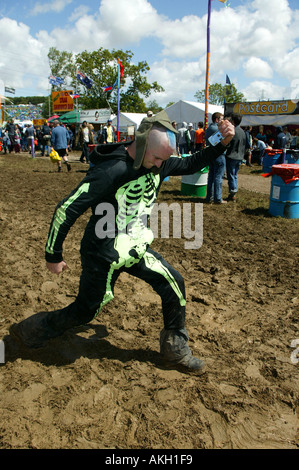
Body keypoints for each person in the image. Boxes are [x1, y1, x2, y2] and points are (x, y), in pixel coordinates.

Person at [9, 110, 235, 375]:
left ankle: (175, 350)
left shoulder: (159, 163)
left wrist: (222, 143)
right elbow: (66, 209)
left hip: (135, 246)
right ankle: (31, 329)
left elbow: (192, 163)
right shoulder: (111, 171)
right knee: (86, 310)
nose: (162, 164)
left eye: (165, 159)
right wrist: (53, 254)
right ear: (140, 145)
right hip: (102, 252)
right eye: (157, 158)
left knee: (174, 283)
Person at [205, 112, 227, 204]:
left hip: (211, 154)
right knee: (218, 177)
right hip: (219, 155)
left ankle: (209, 196)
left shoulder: (209, 129)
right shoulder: (217, 129)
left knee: (211, 176)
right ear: (217, 120)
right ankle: (218, 198)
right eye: (221, 119)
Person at [224, 112, 246, 202]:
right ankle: (234, 191)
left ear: (233, 121)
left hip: (232, 156)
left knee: (231, 175)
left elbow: (229, 144)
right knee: (235, 175)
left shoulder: (233, 131)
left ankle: (233, 193)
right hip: (240, 156)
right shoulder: (242, 132)